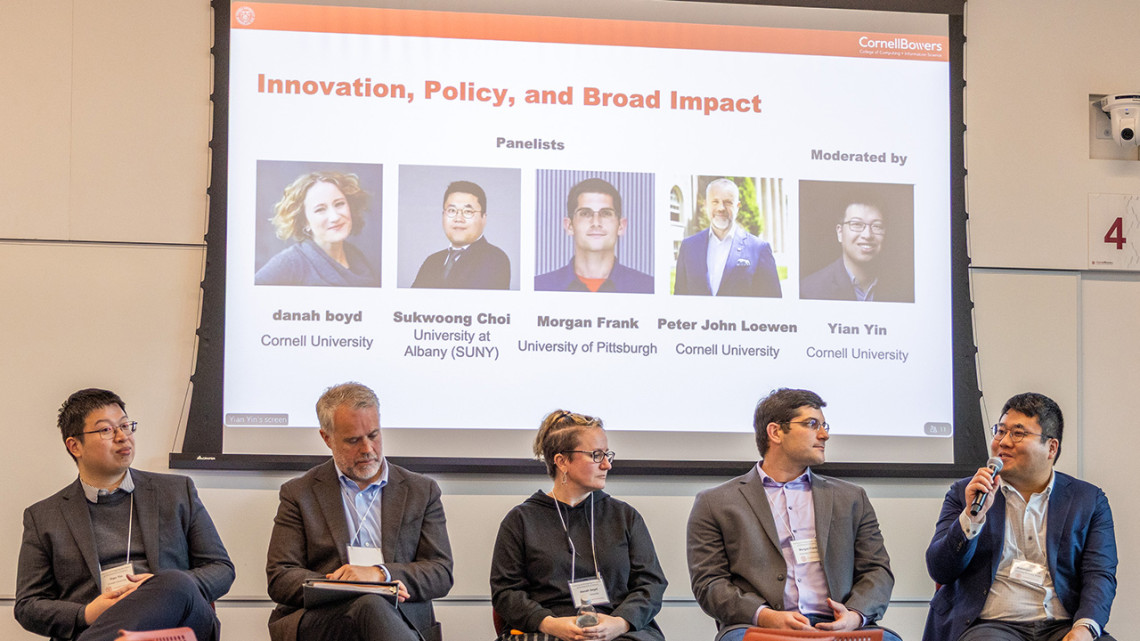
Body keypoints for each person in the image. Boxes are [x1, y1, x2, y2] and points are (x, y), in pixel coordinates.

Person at [15, 388, 234, 641]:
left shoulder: (176, 492)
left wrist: (157, 590)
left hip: (176, 627)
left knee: (175, 582)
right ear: (75, 446)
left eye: (126, 426)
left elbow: (221, 568)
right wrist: (86, 613)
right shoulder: (43, 516)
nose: (122, 437)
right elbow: (28, 605)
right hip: (94, 627)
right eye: (106, 430)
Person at [686, 388, 896, 641]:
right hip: (761, 627)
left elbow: (877, 571)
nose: (824, 435)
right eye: (811, 424)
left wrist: (855, 615)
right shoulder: (715, 502)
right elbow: (709, 584)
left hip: (840, 625)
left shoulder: (851, 498)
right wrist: (766, 616)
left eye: (824, 425)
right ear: (775, 432)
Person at [266, 382, 453, 641]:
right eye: (353, 440)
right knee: (368, 604)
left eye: (373, 435)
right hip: (326, 619)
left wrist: (379, 575)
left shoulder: (421, 491)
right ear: (326, 438)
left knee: (374, 607)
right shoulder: (299, 493)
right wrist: (346, 586)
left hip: (402, 620)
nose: (367, 449)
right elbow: (280, 576)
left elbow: (440, 571)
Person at [924, 392, 1117, 641]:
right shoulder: (966, 493)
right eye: (1000, 431)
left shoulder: (1088, 501)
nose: (1003, 442)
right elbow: (940, 570)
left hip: (1063, 625)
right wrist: (972, 518)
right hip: (990, 625)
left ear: (1051, 447)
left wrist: (1084, 629)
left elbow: (1099, 574)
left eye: (1017, 433)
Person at [490, 410, 667, 641]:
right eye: (596, 455)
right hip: (547, 631)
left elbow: (651, 584)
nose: (606, 465)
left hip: (617, 631)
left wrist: (620, 622)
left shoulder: (625, 516)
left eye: (607, 455)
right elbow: (506, 592)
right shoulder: (521, 520)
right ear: (562, 461)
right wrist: (549, 624)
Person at [255, 170, 380, 287]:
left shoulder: (357, 257)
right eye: (320, 209)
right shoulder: (289, 263)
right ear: (304, 221)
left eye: (339, 204)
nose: (335, 217)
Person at [534, 178, 653, 293]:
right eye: (585, 213)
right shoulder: (539, 286)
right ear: (569, 226)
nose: (596, 223)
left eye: (606, 213)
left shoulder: (648, 287)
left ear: (621, 226)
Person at [674, 178, 781, 297]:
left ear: (738, 206)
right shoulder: (688, 247)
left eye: (728, 202)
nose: (721, 208)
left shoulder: (759, 249)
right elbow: (679, 299)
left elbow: (773, 303)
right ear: (706, 204)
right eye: (715, 202)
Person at [412, 180, 511, 289]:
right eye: (452, 210)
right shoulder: (432, 261)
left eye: (468, 212)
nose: (458, 218)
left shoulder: (495, 260)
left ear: (483, 218)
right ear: (443, 215)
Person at [801, 202, 903, 302]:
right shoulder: (809, 290)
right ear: (840, 232)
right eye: (857, 224)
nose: (867, 235)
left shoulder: (903, 288)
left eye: (877, 226)